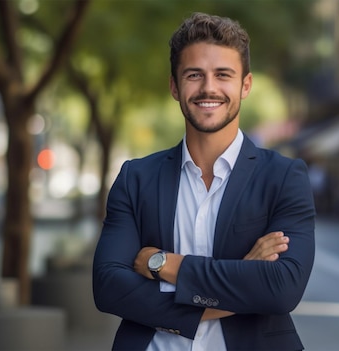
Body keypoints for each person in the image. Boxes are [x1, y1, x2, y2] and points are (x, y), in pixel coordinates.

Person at [93, 12, 315, 351]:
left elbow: (282, 288)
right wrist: (241, 277)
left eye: (223, 75)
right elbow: (109, 287)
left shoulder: (284, 177)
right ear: (174, 86)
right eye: (194, 75)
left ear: (246, 85)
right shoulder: (136, 178)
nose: (208, 88)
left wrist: (162, 264)